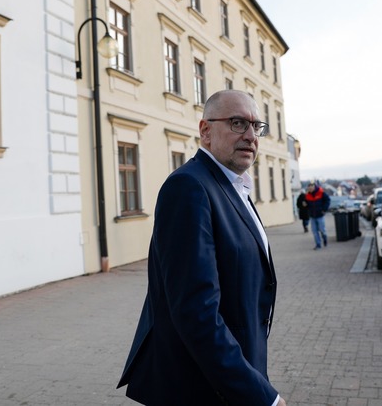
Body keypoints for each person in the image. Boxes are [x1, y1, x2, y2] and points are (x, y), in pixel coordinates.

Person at [118, 90, 286, 406]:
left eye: (256, 126)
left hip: (229, 375)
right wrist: (262, 396)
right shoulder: (189, 187)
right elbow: (197, 312)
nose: (251, 136)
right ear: (205, 131)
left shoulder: (233, 187)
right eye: (238, 123)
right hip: (199, 386)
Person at [305, 182, 330, 250]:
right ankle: (318, 244)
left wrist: (324, 209)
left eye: (311, 187)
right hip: (312, 216)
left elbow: (327, 200)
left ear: (314, 187)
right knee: (314, 231)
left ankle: (324, 237)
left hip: (320, 215)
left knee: (322, 229)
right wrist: (305, 205)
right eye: (309, 188)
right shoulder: (307, 195)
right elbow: (306, 204)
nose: (310, 189)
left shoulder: (321, 193)